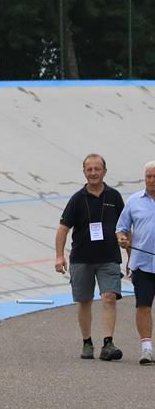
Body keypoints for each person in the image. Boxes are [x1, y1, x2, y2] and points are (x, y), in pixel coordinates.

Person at [55, 154, 126, 361]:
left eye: (97, 169)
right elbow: (62, 230)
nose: (93, 173)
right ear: (84, 172)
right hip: (82, 258)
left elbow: (125, 228)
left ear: (104, 171)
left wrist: (131, 256)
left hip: (109, 257)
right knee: (84, 300)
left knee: (109, 297)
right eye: (89, 169)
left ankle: (108, 343)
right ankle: (87, 342)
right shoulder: (77, 199)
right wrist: (60, 256)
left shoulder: (114, 197)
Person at [116, 161, 155, 365]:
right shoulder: (134, 201)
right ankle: (146, 349)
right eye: (148, 176)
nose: (151, 180)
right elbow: (121, 228)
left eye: (154, 176)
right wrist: (122, 238)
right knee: (143, 306)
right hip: (142, 264)